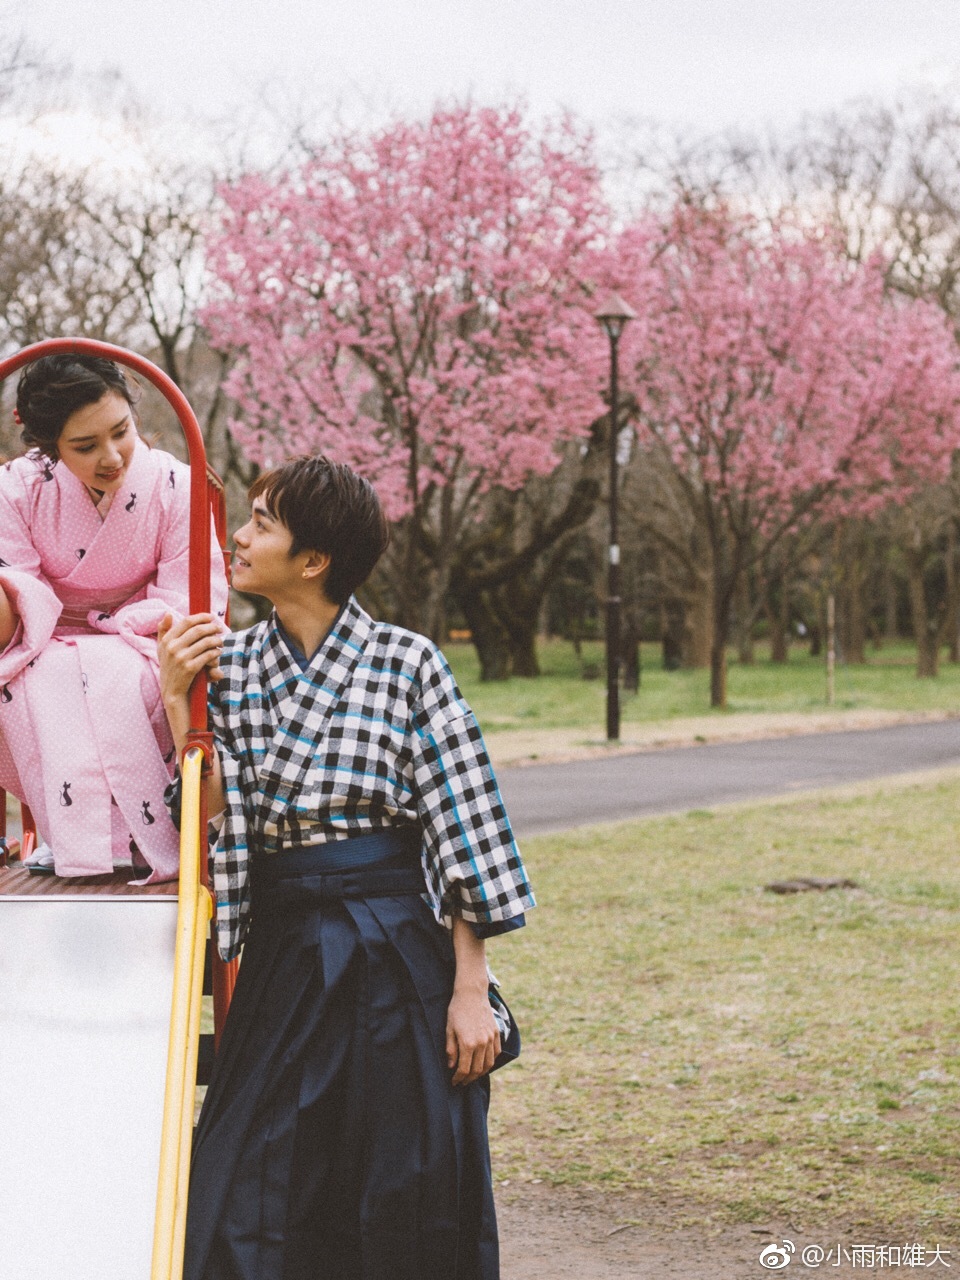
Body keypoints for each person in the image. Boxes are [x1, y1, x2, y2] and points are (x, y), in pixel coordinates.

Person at [158, 455, 534, 1280]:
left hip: (396, 945)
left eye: (261, 522)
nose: (241, 537)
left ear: (314, 560)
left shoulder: (409, 662)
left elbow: (463, 827)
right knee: (246, 1174)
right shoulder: (236, 664)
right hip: (286, 951)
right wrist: (174, 693)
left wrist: (470, 990)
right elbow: (212, 812)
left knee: (408, 1172)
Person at [0, 353, 228, 879]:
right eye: (85, 446)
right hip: (43, 643)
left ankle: (140, 838)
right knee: (38, 683)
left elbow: (186, 599)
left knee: (121, 677)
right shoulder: (17, 489)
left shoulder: (174, 484)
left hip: (144, 640)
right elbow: (21, 590)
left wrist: (114, 636)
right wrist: (70, 646)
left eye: (121, 431)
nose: (112, 456)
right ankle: (73, 837)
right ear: (50, 448)